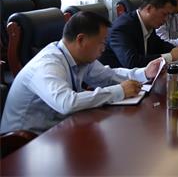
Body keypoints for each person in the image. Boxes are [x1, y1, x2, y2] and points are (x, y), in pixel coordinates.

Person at [0, 11, 163, 135]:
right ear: (81, 40)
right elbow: (67, 103)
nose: (104, 48)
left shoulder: (81, 57)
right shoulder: (47, 65)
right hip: (23, 143)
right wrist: (119, 91)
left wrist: (144, 73)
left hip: (56, 130)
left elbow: (107, 76)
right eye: (101, 42)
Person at [100, 0, 178, 68]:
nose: (166, 19)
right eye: (164, 14)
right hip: (115, 78)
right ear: (149, 8)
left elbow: (159, 45)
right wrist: (170, 56)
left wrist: (177, 49)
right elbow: (132, 62)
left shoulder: (147, 24)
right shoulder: (122, 28)